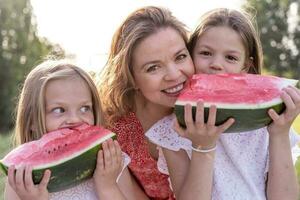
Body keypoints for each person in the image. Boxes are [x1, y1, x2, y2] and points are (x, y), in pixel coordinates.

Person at [145, 8, 300, 200]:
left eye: (231, 57)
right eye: (206, 53)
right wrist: (203, 146)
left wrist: (279, 134)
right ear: (190, 55)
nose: (216, 64)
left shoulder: (264, 125)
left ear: (246, 67)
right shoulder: (173, 130)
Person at [4, 60, 149, 200]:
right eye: (59, 110)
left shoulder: (111, 162)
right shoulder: (21, 180)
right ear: (32, 121)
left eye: (85, 108)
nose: (75, 119)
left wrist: (108, 187)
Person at [98, 6, 195, 199]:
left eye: (181, 57)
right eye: (153, 68)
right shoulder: (115, 130)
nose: (174, 74)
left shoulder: (212, 111)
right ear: (131, 77)